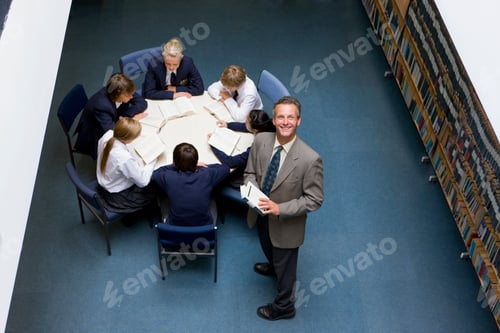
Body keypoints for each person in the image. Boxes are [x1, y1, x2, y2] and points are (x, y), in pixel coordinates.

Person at [244, 96, 324, 321]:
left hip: (286, 224)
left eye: (291, 117)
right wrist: (251, 190)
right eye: (281, 116)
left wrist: (280, 208)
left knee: (287, 270)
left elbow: (315, 199)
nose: (285, 122)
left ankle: (284, 307)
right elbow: (250, 172)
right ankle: (273, 266)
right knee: (268, 247)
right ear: (274, 118)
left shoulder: (310, 159)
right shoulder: (261, 141)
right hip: (260, 212)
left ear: (298, 121)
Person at [152, 143, 230, 226]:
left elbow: (156, 173)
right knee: (213, 194)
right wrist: (199, 166)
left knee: (162, 196)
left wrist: (174, 166)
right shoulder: (207, 174)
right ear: (196, 161)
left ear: (175, 161)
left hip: (175, 226)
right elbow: (225, 168)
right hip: (204, 226)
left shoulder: (169, 177)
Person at [75, 73, 147, 159]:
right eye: (128, 95)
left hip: (111, 120)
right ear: (118, 95)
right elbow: (113, 132)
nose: (132, 97)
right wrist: (129, 121)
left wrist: (125, 117)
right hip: (95, 134)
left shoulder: (124, 88)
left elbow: (142, 103)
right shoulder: (101, 106)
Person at [96, 117, 158, 216]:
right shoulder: (123, 158)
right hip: (117, 194)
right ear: (128, 139)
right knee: (155, 185)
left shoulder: (107, 135)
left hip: (105, 182)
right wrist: (152, 160)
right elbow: (143, 181)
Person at [210, 109, 275, 187]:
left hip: (262, 177)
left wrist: (213, 143)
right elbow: (247, 126)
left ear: (255, 130)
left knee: (227, 178)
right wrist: (228, 125)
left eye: (247, 121)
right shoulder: (269, 124)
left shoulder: (258, 147)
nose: (245, 122)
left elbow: (230, 162)